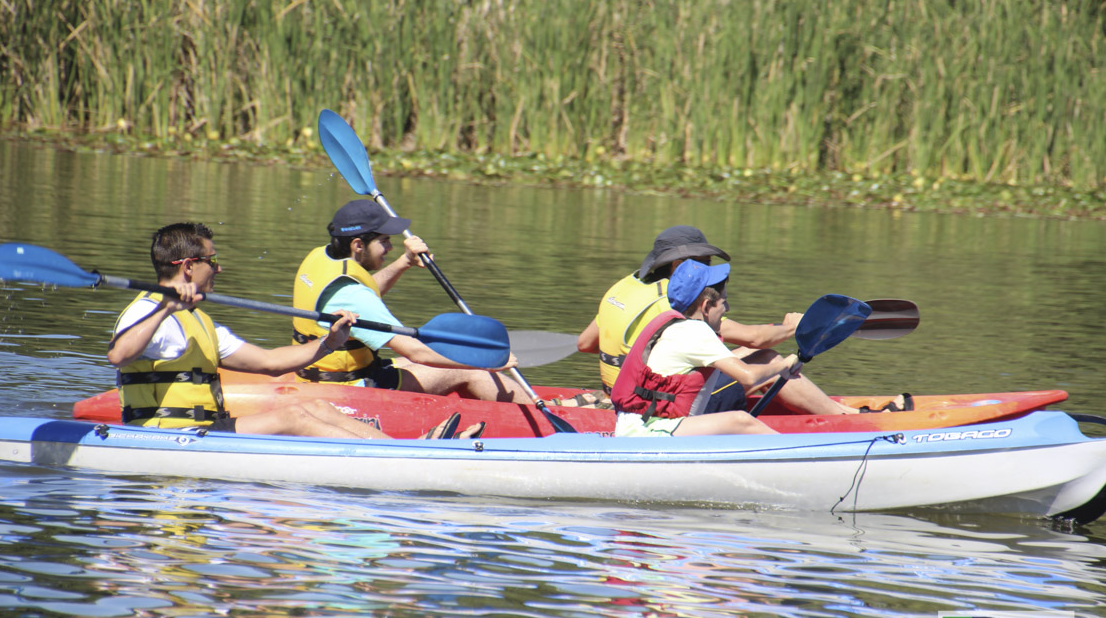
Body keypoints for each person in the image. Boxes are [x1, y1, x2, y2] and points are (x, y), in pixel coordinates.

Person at [108, 222, 481, 440]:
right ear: (188, 267)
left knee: (315, 406)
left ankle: (409, 453)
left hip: (207, 427)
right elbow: (119, 355)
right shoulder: (145, 310)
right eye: (212, 261)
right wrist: (166, 305)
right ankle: (404, 459)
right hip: (161, 436)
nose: (218, 270)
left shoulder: (200, 321)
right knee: (295, 418)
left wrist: (327, 343)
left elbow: (270, 362)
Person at [293, 199, 596, 406]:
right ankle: (552, 412)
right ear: (358, 245)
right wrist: (486, 362)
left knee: (430, 360)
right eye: (384, 241)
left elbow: (364, 298)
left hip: (321, 377)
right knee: (469, 369)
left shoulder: (321, 258)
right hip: (349, 392)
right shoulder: (352, 292)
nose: (389, 247)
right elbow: (415, 350)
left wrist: (403, 263)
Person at [578, 225, 902, 415]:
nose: (707, 269)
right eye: (702, 262)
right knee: (766, 359)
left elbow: (586, 344)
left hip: (626, 388)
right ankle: (845, 417)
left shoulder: (623, 285)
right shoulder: (674, 305)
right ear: (678, 265)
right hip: (660, 402)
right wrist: (793, 327)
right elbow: (754, 340)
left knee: (738, 360)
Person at [611, 260, 791, 436]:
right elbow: (749, 377)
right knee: (741, 420)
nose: (727, 308)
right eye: (724, 302)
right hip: (647, 432)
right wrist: (786, 364)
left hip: (637, 426)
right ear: (705, 306)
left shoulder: (675, 326)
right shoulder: (695, 331)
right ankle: (795, 454)